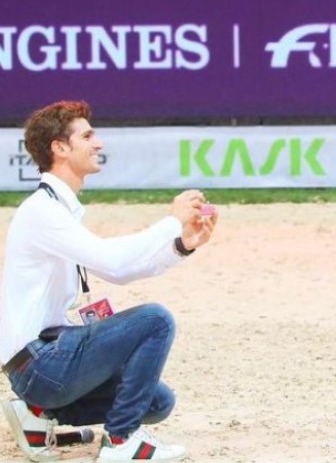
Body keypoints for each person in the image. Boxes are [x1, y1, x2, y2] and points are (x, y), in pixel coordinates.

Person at [0, 100, 218, 462]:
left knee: (158, 402)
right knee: (155, 319)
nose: (98, 143)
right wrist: (171, 222)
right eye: (87, 136)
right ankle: (121, 442)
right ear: (60, 148)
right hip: (39, 365)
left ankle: (36, 414)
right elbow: (113, 259)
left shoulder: (57, 208)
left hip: (43, 360)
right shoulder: (43, 211)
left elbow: (119, 272)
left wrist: (181, 246)